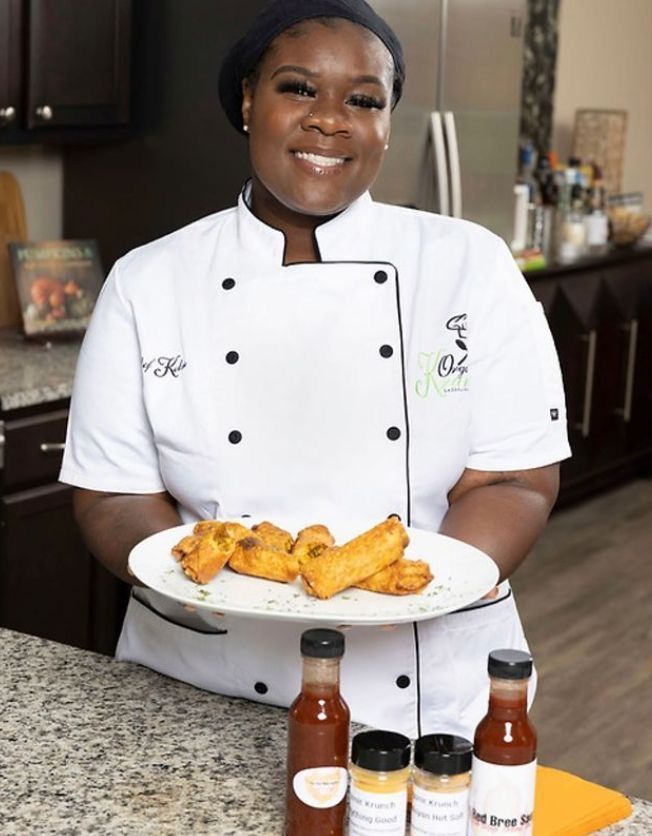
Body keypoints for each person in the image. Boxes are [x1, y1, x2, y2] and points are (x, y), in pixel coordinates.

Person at [60, 0, 570, 740]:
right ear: (246, 101)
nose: (330, 119)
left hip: (414, 686)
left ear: (388, 124)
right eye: (298, 88)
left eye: (364, 100)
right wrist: (205, 587)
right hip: (202, 678)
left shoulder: (468, 265)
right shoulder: (150, 280)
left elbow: (515, 479)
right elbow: (111, 495)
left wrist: (422, 591)